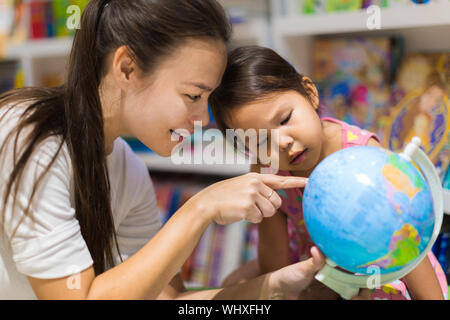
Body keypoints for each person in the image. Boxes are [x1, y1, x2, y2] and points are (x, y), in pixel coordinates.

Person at [0, 0, 327, 300]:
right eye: (193, 96)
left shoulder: (129, 170)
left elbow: (171, 302)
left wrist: (272, 288)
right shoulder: (27, 135)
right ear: (127, 68)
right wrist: (200, 208)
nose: (202, 121)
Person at [209, 46, 448, 300]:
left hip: (382, 265)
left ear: (310, 94)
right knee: (234, 284)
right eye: (259, 142)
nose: (282, 142)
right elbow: (274, 264)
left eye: (284, 119)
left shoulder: (362, 154)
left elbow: (405, 245)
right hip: (315, 265)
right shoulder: (266, 167)